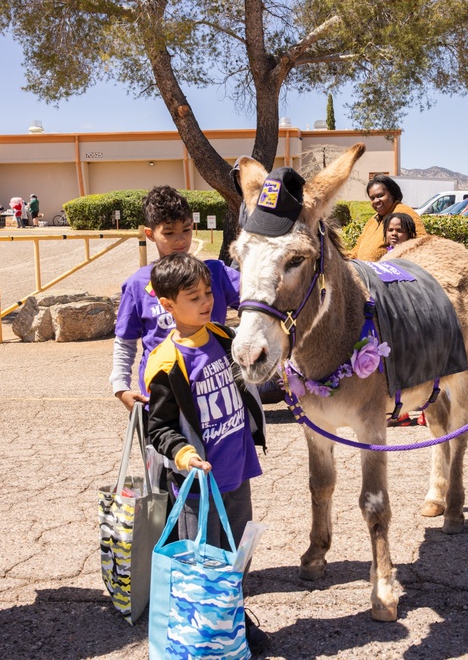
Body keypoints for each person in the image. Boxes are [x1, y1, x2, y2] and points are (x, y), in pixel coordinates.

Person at [143, 252, 270, 654]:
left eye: (208, 292)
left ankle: (232, 615)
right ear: (167, 305)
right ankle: (205, 634)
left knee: (236, 557)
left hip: (238, 470)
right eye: (193, 296)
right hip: (198, 486)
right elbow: (158, 428)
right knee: (204, 562)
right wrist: (183, 456)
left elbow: (252, 385)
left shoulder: (223, 337)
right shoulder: (165, 362)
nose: (205, 301)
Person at [110, 185, 240, 411]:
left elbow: (261, 302)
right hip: (163, 396)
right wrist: (120, 386)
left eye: (187, 230)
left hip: (218, 393)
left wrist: (239, 339)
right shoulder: (137, 285)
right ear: (150, 234)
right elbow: (125, 341)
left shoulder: (216, 273)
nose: (180, 240)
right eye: (169, 233)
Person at [348, 174, 427, 261]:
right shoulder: (373, 221)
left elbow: (422, 244)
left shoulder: (404, 213)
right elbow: (357, 248)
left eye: (380, 195)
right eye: (372, 198)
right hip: (364, 271)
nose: (376, 201)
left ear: (392, 194)